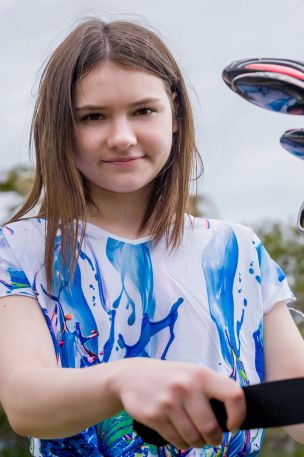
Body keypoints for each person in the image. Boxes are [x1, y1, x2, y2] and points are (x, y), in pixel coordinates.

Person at [0, 17, 304, 457]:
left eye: (143, 111)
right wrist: (124, 379)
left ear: (175, 114)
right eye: (93, 117)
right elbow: (26, 401)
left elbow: (297, 411)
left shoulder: (237, 250)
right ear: (61, 127)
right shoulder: (18, 248)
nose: (121, 137)